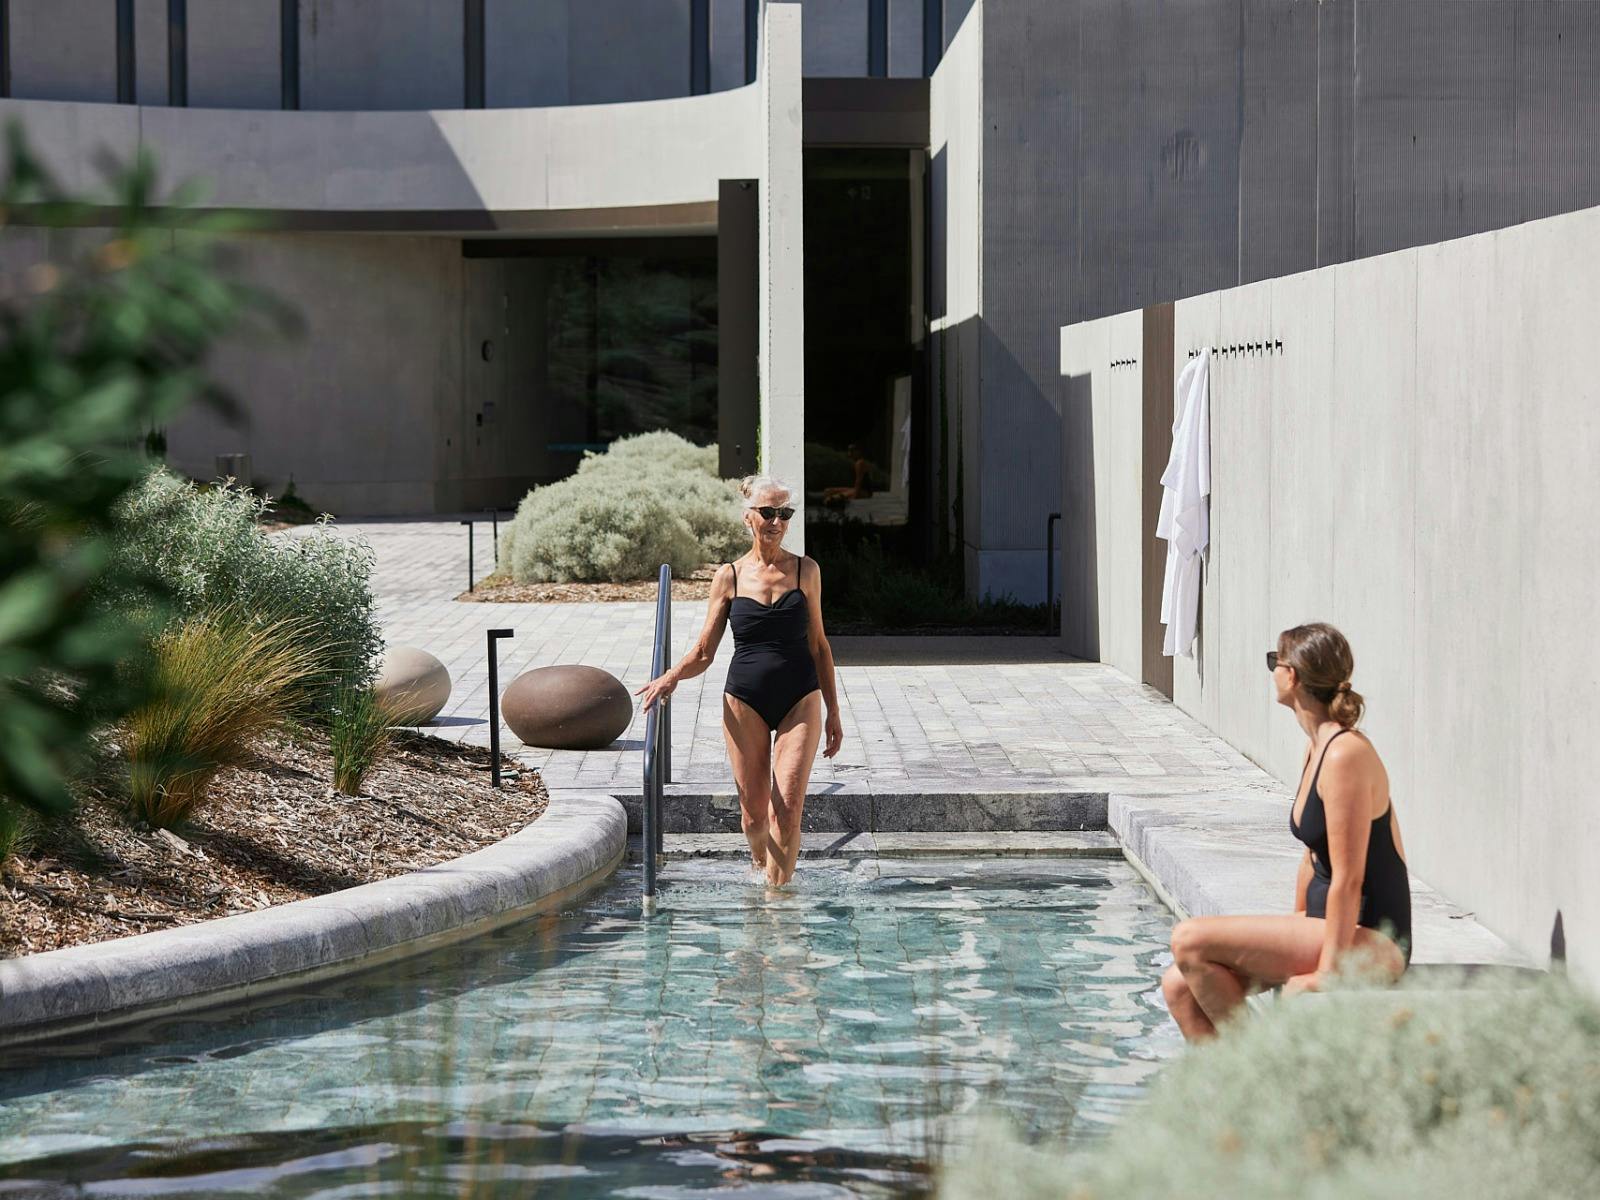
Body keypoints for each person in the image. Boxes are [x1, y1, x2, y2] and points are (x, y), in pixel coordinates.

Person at [1161, 622, 1411, 1041]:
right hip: (1330, 926)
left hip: (1375, 941)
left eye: (1273, 662)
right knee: (1178, 986)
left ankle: (1265, 1072)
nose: (1272, 672)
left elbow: (1349, 879)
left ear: (1291, 675)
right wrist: (1294, 923)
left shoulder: (1345, 754)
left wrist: (1328, 972)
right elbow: (1313, 857)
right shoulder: (1317, 746)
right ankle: (1237, 1097)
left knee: (1188, 939)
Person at [636, 476, 843, 885]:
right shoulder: (728, 576)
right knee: (753, 813)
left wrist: (833, 710)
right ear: (749, 518)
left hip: (800, 697)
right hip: (744, 699)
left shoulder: (806, 571)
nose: (777, 522)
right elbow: (704, 651)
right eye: (768, 513)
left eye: (785, 513)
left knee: (786, 808)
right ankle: (761, 867)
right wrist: (671, 677)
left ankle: (776, 906)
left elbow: (819, 646)